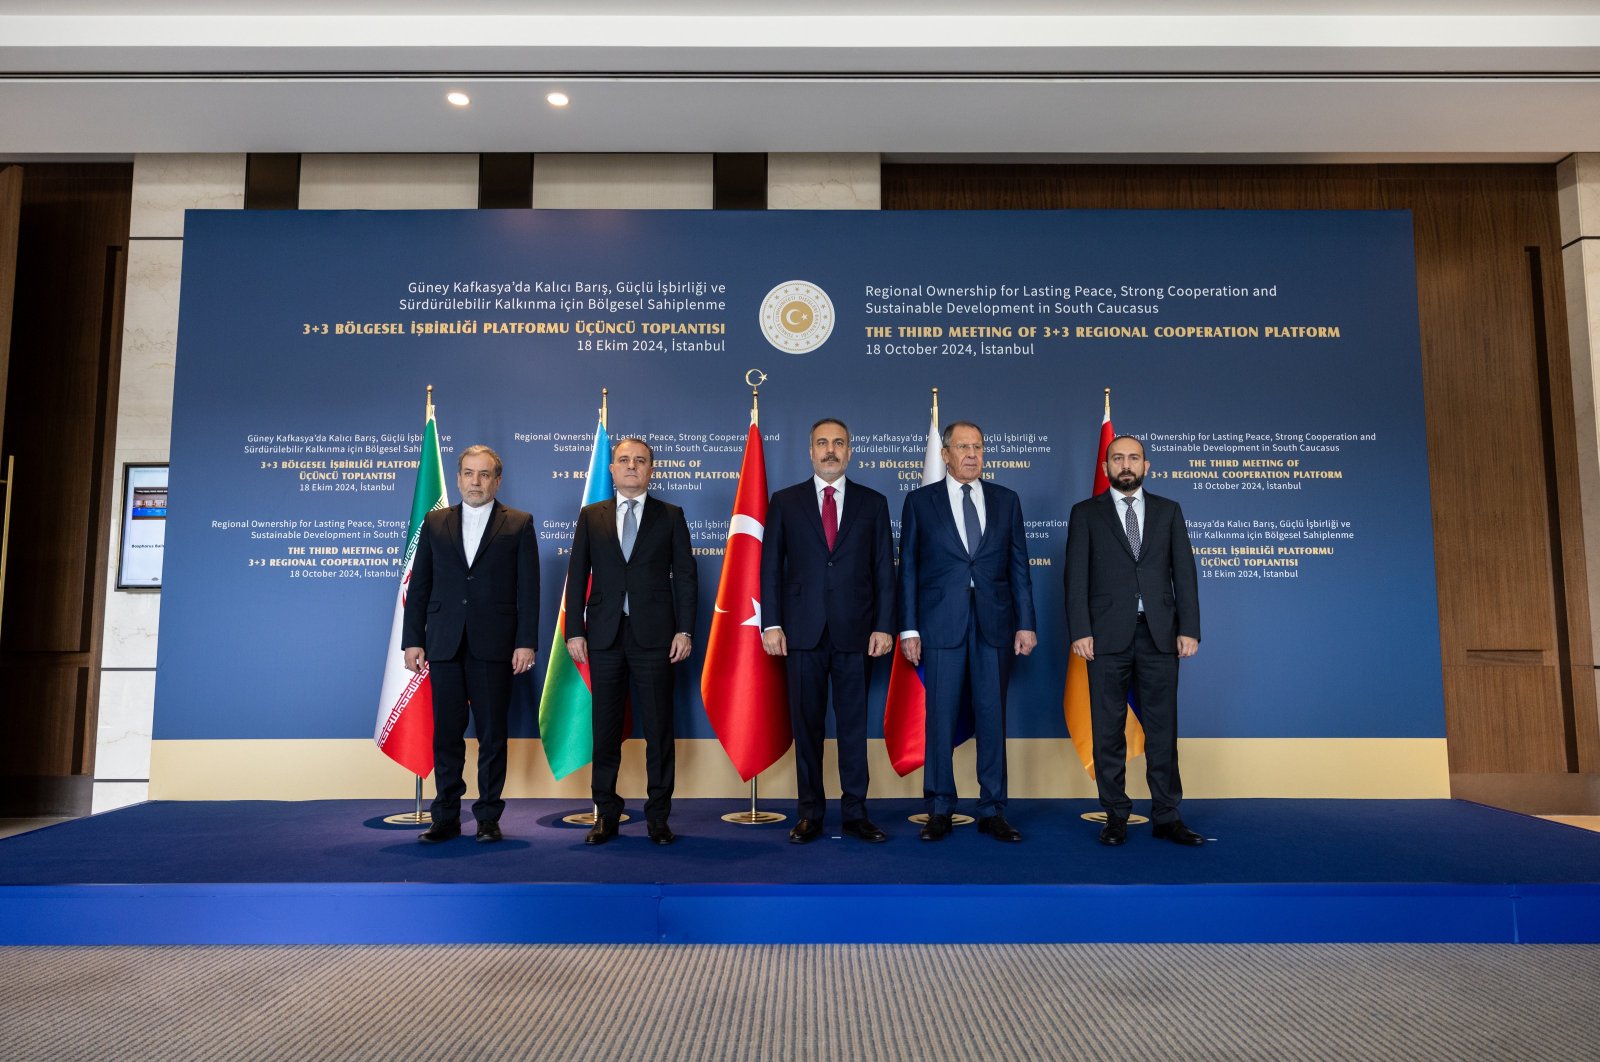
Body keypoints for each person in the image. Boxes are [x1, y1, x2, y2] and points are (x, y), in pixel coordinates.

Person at [898, 421, 1037, 843]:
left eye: (978, 446)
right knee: (940, 719)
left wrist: (1026, 623)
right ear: (945, 454)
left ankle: (993, 809)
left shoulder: (1006, 499)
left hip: (995, 624)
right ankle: (940, 808)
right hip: (940, 624)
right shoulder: (921, 502)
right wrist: (908, 628)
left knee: (992, 719)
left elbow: (1019, 566)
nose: (972, 454)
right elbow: (908, 571)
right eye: (963, 447)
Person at [1064, 434, 1203, 847]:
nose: (1126, 464)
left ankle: (1167, 815)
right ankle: (1116, 815)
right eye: (1118, 457)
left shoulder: (1168, 511)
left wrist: (1189, 628)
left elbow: (1185, 575)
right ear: (1106, 467)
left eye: (1134, 458)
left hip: (1160, 635)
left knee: (1163, 728)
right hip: (1105, 637)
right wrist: (1080, 631)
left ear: (1146, 466)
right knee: (1108, 730)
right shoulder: (1086, 513)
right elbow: (1075, 579)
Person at [761, 418, 895, 844]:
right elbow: (770, 568)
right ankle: (810, 815)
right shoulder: (785, 501)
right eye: (822, 443)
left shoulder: (873, 503)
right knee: (808, 728)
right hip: (802, 633)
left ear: (850, 451)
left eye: (839, 443)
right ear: (810, 450)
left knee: (854, 728)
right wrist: (772, 622)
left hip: (857, 633)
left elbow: (883, 572)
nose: (830, 450)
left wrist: (884, 626)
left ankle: (855, 813)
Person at [403, 444, 538, 844]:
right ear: (458, 476)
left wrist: (525, 642)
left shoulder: (519, 522)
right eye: (467, 473)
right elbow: (421, 586)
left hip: (495, 646)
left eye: (484, 474)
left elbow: (528, 590)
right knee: (446, 734)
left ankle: (488, 818)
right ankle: (444, 816)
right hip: (444, 643)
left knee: (492, 735)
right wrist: (414, 640)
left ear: (497, 480)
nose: (475, 481)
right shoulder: (435, 522)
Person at [565, 437, 697, 846]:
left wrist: (685, 630)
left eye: (640, 461)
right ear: (612, 468)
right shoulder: (592, 515)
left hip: (656, 637)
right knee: (604, 730)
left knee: (659, 729)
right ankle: (606, 814)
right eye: (624, 460)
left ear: (651, 468)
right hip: (603, 636)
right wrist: (574, 630)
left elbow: (687, 577)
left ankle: (658, 816)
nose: (631, 467)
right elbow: (577, 572)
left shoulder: (670, 515)